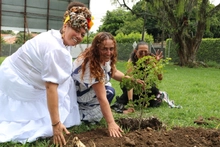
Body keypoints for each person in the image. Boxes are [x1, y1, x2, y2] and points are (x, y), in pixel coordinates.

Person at [0, 1, 93, 146]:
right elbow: (51, 87)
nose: (79, 36)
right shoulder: (55, 48)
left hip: (11, 71)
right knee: (30, 123)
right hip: (16, 81)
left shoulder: (57, 37)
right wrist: (55, 124)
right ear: (65, 26)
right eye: (76, 30)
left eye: (82, 33)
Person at [71, 32, 144, 137]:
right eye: (104, 49)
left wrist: (131, 80)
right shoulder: (91, 64)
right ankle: (84, 115)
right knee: (108, 92)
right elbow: (102, 98)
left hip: (88, 91)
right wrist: (111, 123)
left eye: (111, 49)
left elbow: (113, 72)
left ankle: (93, 111)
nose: (109, 52)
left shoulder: (103, 58)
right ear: (96, 48)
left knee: (110, 91)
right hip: (79, 94)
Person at [111, 41, 168, 114]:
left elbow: (160, 78)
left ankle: (141, 100)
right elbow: (129, 83)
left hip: (145, 85)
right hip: (133, 85)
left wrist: (156, 65)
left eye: (146, 52)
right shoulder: (131, 62)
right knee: (124, 100)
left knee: (153, 92)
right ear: (135, 51)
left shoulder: (150, 60)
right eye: (141, 52)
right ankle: (132, 100)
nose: (143, 54)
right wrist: (131, 104)